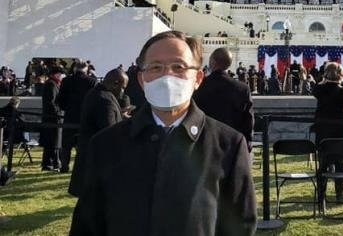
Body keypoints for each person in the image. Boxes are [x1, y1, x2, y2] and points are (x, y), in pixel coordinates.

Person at [69, 31, 256, 236]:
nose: (167, 77)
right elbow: (87, 225)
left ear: (198, 78)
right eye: (156, 67)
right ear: (141, 79)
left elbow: (239, 226)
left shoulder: (229, 145)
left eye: (178, 67)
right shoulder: (105, 144)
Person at [68, 67, 128, 197]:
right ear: (115, 83)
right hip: (98, 161)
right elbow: (109, 131)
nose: (123, 92)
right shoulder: (105, 100)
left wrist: (120, 116)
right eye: (122, 87)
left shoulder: (96, 93)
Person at [193, 47, 254, 151]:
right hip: (232, 145)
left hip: (203, 145)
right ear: (229, 64)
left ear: (212, 61)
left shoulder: (198, 86)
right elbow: (248, 122)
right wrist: (246, 147)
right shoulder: (243, 89)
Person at [312, 62, 343, 204]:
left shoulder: (319, 89)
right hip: (339, 131)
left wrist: (324, 81)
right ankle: (339, 194)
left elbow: (316, 89)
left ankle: (321, 194)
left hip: (323, 131)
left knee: (323, 164)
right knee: (340, 164)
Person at [56, 61, 97, 173]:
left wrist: (66, 108)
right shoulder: (92, 81)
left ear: (74, 68)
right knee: (83, 144)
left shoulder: (66, 81)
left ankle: (64, 166)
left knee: (66, 144)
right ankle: (81, 167)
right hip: (85, 117)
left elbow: (60, 99)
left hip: (70, 115)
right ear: (86, 69)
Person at [40, 67, 63, 172]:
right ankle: (50, 163)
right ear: (55, 74)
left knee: (54, 142)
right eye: (60, 74)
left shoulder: (53, 84)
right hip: (52, 118)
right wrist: (57, 113)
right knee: (52, 141)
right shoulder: (51, 85)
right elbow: (51, 102)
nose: (61, 76)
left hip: (52, 117)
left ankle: (54, 163)